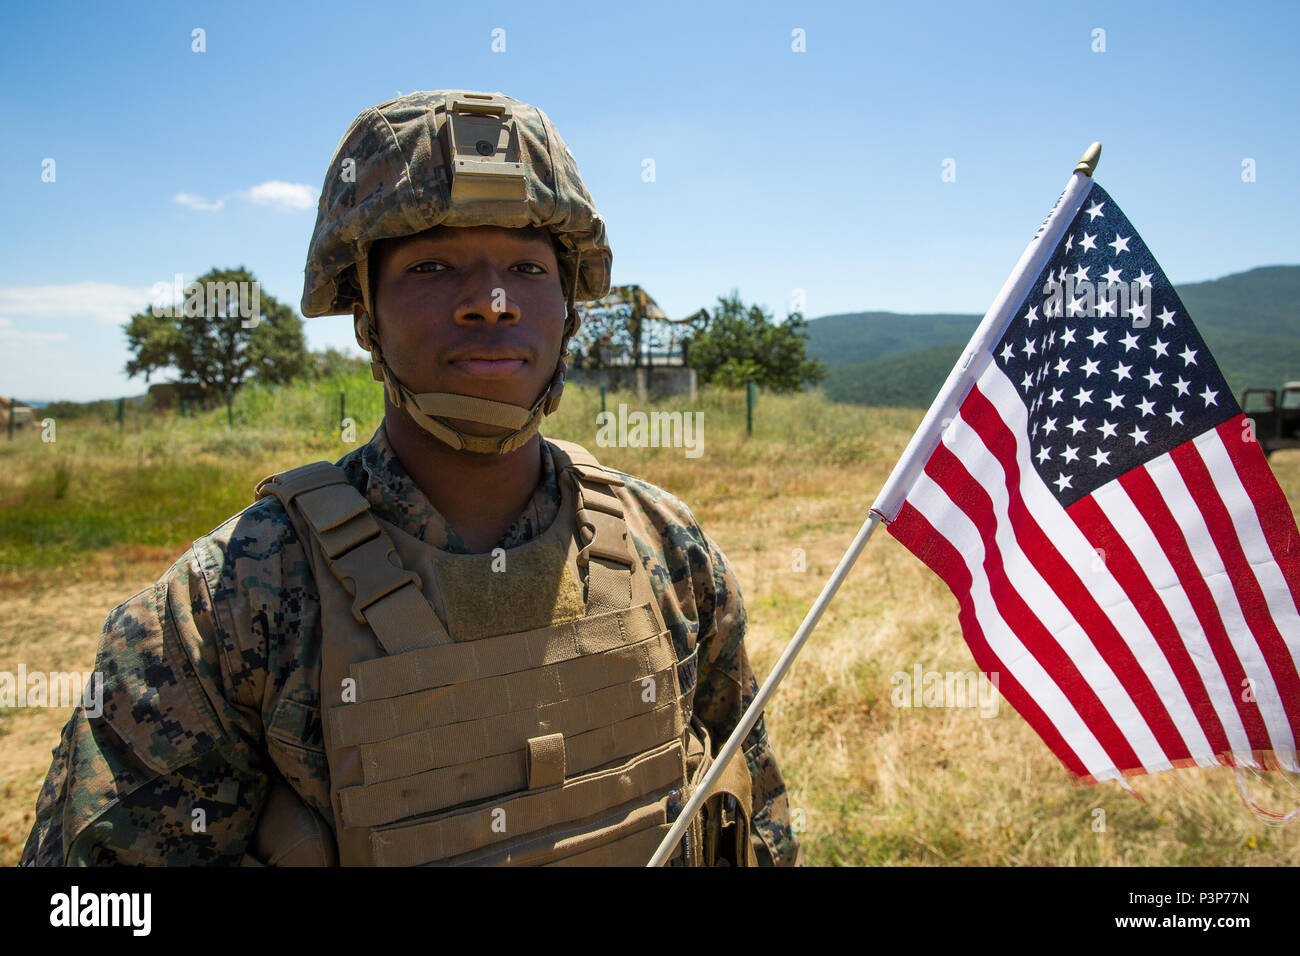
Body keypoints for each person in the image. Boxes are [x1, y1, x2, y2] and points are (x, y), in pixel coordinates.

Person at [21, 89, 800, 867]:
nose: (491, 303)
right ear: (366, 314)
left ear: (569, 307)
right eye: (432, 266)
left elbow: (751, 813)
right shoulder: (229, 603)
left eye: (527, 267)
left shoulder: (666, 545)